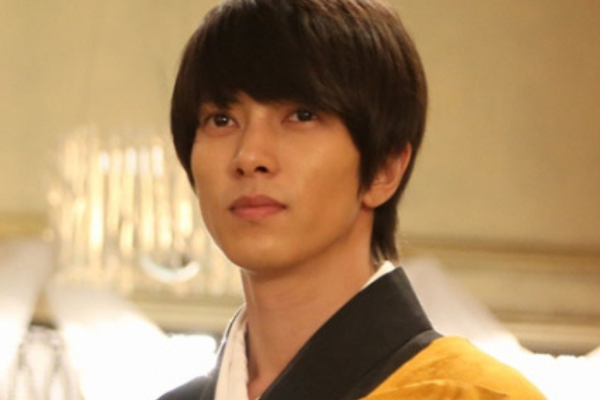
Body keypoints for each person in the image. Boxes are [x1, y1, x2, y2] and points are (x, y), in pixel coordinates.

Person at [159, 0, 547, 399]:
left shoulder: (471, 394)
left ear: (384, 169)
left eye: (302, 116)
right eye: (221, 120)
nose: (249, 156)